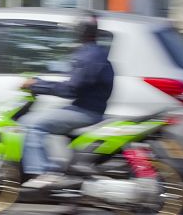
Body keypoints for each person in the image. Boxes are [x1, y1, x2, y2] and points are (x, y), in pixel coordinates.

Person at [20, 12, 115, 189]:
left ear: (79, 32)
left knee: (31, 124)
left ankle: (42, 172)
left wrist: (38, 85)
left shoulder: (87, 56)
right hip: (90, 108)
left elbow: (71, 89)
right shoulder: (97, 53)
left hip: (86, 112)